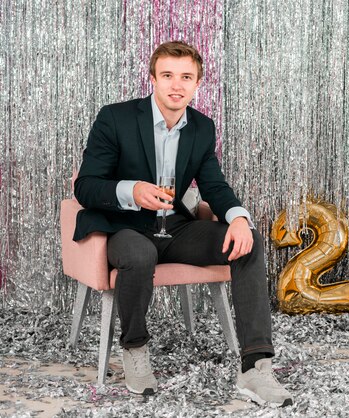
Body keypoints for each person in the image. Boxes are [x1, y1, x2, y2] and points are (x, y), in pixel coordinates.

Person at [73, 40, 293, 407]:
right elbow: (86, 186)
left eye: (186, 77)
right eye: (168, 75)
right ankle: (135, 348)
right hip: (124, 226)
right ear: (153, 79)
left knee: (248, 242)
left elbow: (214, 186)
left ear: (197, 84)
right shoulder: (115, 118)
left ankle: (255, 369)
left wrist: (238, 217)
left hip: (175, 227)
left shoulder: (202, 128)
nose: (177, 85)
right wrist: (133, 190)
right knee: (139, 254)